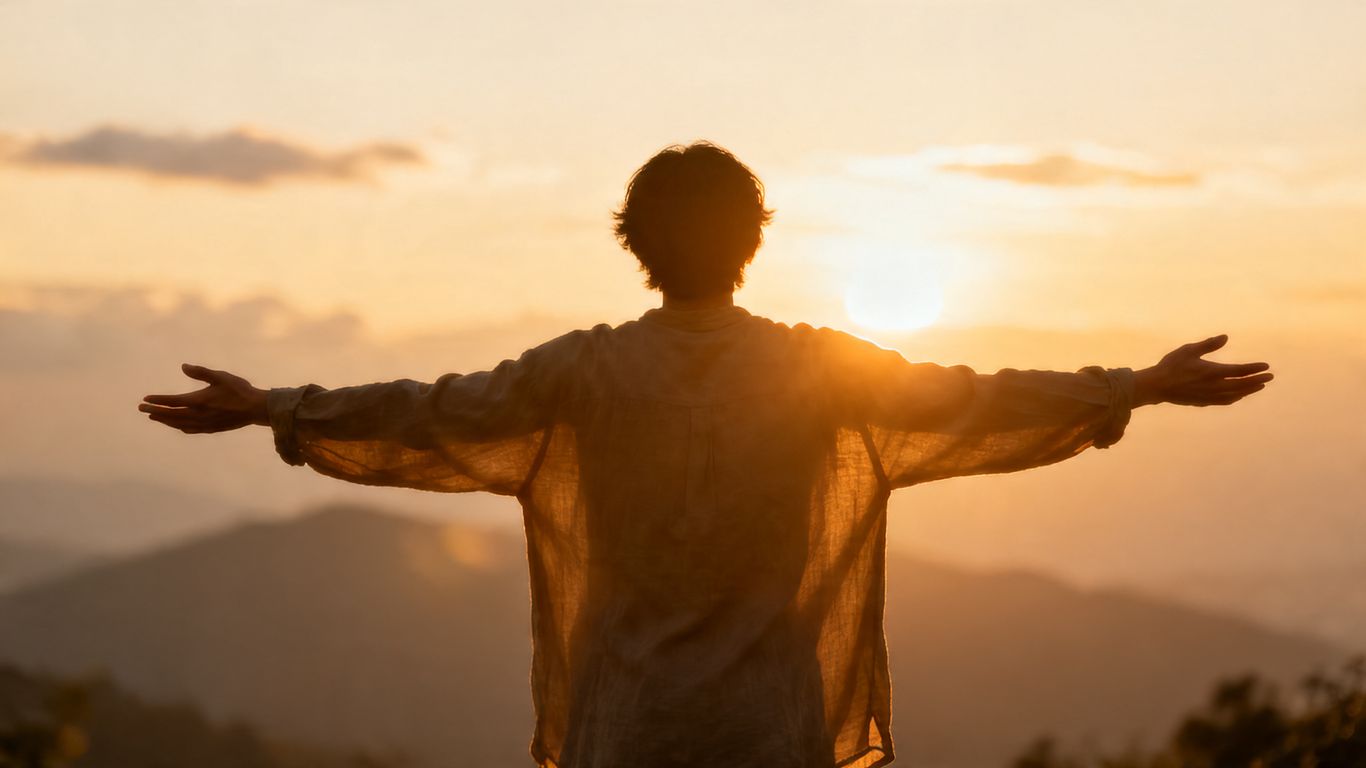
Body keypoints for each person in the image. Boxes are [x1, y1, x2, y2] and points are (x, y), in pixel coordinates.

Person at [139, 141, 1273, 768]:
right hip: (768, 728)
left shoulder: (582, 372)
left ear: (636, 244)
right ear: (751, 242)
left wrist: (274, 407)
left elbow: (430, 412)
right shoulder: (815, 368)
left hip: (628, 725)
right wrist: (1134, 385)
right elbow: (976, 401)